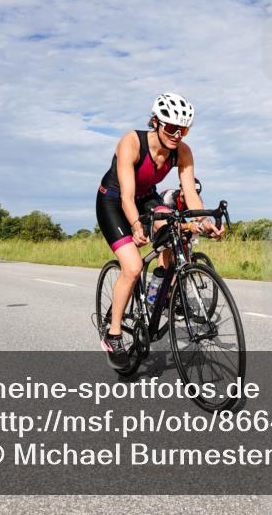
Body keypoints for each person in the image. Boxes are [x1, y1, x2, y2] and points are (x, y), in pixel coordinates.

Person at [95, 93, 223, 368]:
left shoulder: (183, 151)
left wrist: (203, 221)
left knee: (177, 227)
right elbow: (127, 197)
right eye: (171, 128)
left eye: (184, 129)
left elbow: (190, 194)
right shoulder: (131, 143)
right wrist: (135, 225)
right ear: (155, 122)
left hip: (146, 197)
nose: (177, 135)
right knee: (131, 268)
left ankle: (155, 293)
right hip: (113, 200)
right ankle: (114, 334)